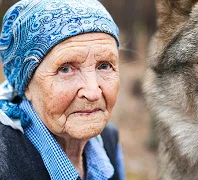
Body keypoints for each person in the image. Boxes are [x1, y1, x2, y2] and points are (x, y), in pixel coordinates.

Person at [0, 0, 125, 179]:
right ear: (26, 84)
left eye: (104, 65)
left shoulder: (109, 139)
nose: (93, 92)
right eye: (65, 69)